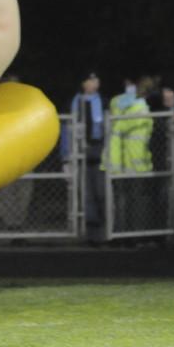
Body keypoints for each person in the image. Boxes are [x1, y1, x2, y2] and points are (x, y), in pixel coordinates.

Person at [103, 76, 153, 234]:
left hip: (120, 162)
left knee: (122, 201)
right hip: (134, 164)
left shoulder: (120, 104)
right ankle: (132, 233)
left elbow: (116, 112)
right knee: (132, 201)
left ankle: (122, 232)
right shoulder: (140, 108)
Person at [61, 72, 106, 237]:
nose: (95, 83)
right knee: (85, 192)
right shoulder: (74, 102)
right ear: (84, 83)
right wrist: (65, 155)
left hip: (99, 150)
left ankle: (103, 224)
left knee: (101, 191)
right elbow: (66, 129)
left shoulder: (103, 102)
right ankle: (91, 228)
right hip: (79, 151)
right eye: (91, 80)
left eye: (96, 80)